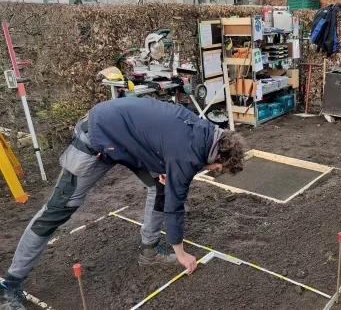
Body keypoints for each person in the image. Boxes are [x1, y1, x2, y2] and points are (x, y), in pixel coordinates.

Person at [1, 97, 245, 310]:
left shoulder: (206, 133)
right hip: (97, 137)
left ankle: (149, 251)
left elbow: (158, 141)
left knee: (160, 186)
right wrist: (180, 253)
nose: (212, 170)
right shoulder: (189, 154)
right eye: (216, 168)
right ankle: (9, 285)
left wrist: (162, 168)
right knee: (58, 209)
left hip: (126, 139)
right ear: (218, 156)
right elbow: (175, 205)